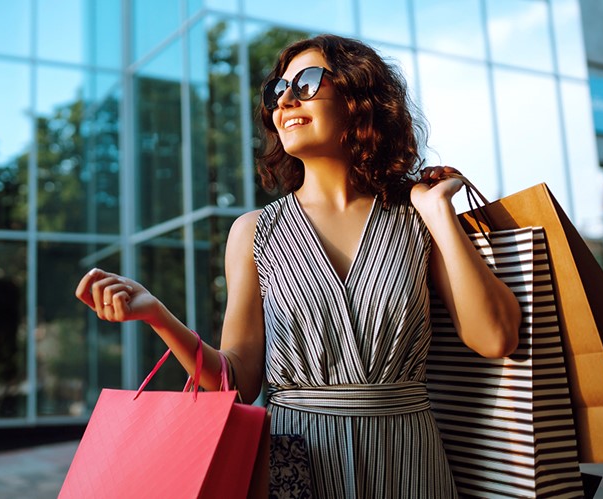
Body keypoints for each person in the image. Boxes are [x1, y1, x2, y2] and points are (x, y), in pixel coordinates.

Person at [75, 34, 521, 498]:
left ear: (359, 98)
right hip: (298, 468)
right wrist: (155, 313)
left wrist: (440, 216)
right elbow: (238, 384)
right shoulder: (254, 232)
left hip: (411, 464)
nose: (285, 99)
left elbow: (496, 338)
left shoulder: (416, 219)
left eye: (306, 83)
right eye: (276, 90)